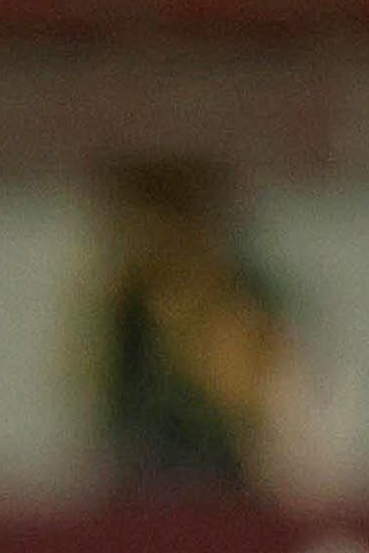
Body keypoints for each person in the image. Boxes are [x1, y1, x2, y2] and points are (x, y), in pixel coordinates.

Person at [83, 155, 312, 501]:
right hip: (149, 477)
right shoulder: (130, 301)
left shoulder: (244, 289)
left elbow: (276, 388)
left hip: (235, 475)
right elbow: (109, 400)